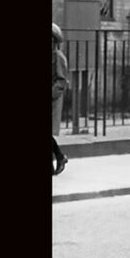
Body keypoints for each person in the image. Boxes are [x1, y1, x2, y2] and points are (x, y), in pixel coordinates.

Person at [52, 23, 70, 175]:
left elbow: (61, 81)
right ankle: (60, 157)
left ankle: (60, 156)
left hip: (53, 99)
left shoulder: (58, 57)